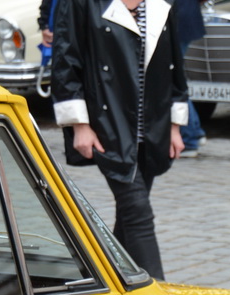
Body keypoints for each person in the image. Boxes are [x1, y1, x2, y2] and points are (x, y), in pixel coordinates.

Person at [49, 0, 188, 280]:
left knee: (128, 218)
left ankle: (107, 279)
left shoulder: (161, 4)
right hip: (107, 126)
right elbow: (66, 60)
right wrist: (80, 125)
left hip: (152, 128)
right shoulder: (80, 3)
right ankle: (160, 292)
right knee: (138, 212)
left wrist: (174, 125)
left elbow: (174, 65)